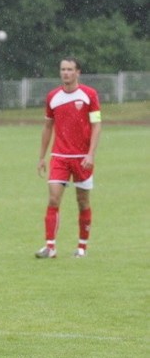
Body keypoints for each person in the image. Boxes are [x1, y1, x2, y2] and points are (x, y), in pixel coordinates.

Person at [35, 57, 102, 259]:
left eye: (70, 69)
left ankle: (82, 247)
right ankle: (50, 247)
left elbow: (97, 125)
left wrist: (91, 153)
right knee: (54, 198)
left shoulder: (90, 95)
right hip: (59, 157)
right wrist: (41, 157)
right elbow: (47, 127)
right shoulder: (52, 97)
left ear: (78, 72)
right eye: (63, 69)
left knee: (82, 201)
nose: (66, 73)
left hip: (82, 157)